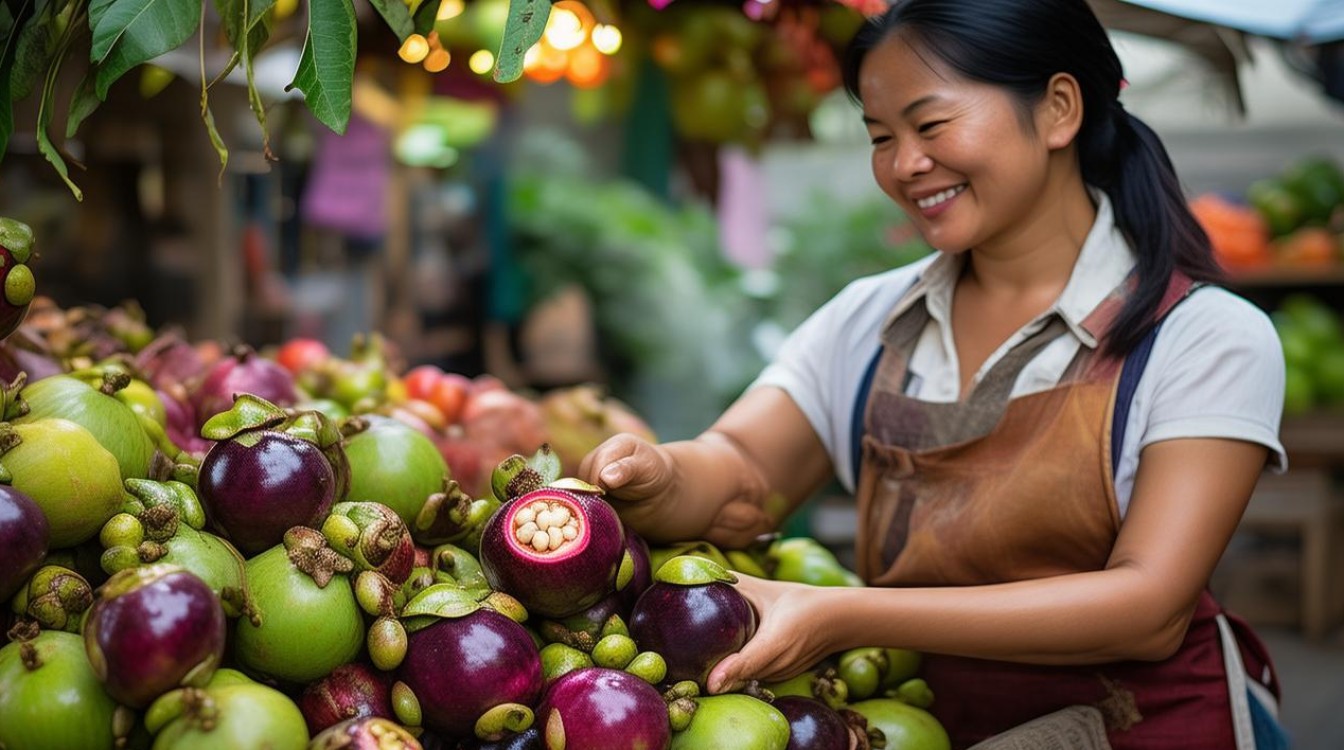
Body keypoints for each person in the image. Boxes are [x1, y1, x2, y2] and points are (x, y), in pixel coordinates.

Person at [578, 1, 1291, 747]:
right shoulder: (870, 319)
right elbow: (746, 466)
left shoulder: (1203, 337)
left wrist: (842, 615)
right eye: (882, 137)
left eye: (932, 125)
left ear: (1057, 110)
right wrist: (662, 474)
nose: (905, 164)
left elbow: (1149, 609)